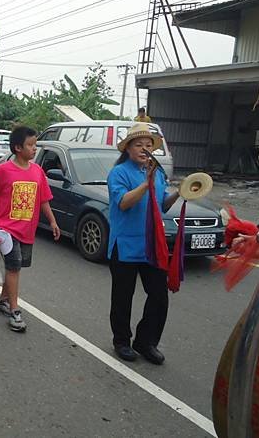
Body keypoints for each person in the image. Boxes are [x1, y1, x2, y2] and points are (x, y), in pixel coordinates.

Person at [107, 123, 179, 365]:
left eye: (148, 145)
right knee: (123, 297)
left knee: (159, 296)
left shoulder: (157, 174)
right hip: (125, 245)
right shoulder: (119, 173)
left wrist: (181, 193)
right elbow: (124, 203)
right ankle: (122, 342)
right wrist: (144, 183)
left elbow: (161, 205)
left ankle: (146, 341)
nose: (144, 149)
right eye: (138, 145)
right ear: (127, 148)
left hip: (151, 245)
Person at [0, 126, 60, 332]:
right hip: (5, 230)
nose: (34, 149)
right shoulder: (3, 170)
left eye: (35, 145)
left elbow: (44, 200)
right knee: (14, 267)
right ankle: (15, 311)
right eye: (30, 145)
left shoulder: (37, 172)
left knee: (16, 267)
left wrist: (53, 221)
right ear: (17, 148)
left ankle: (3, 300)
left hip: (27, 230)